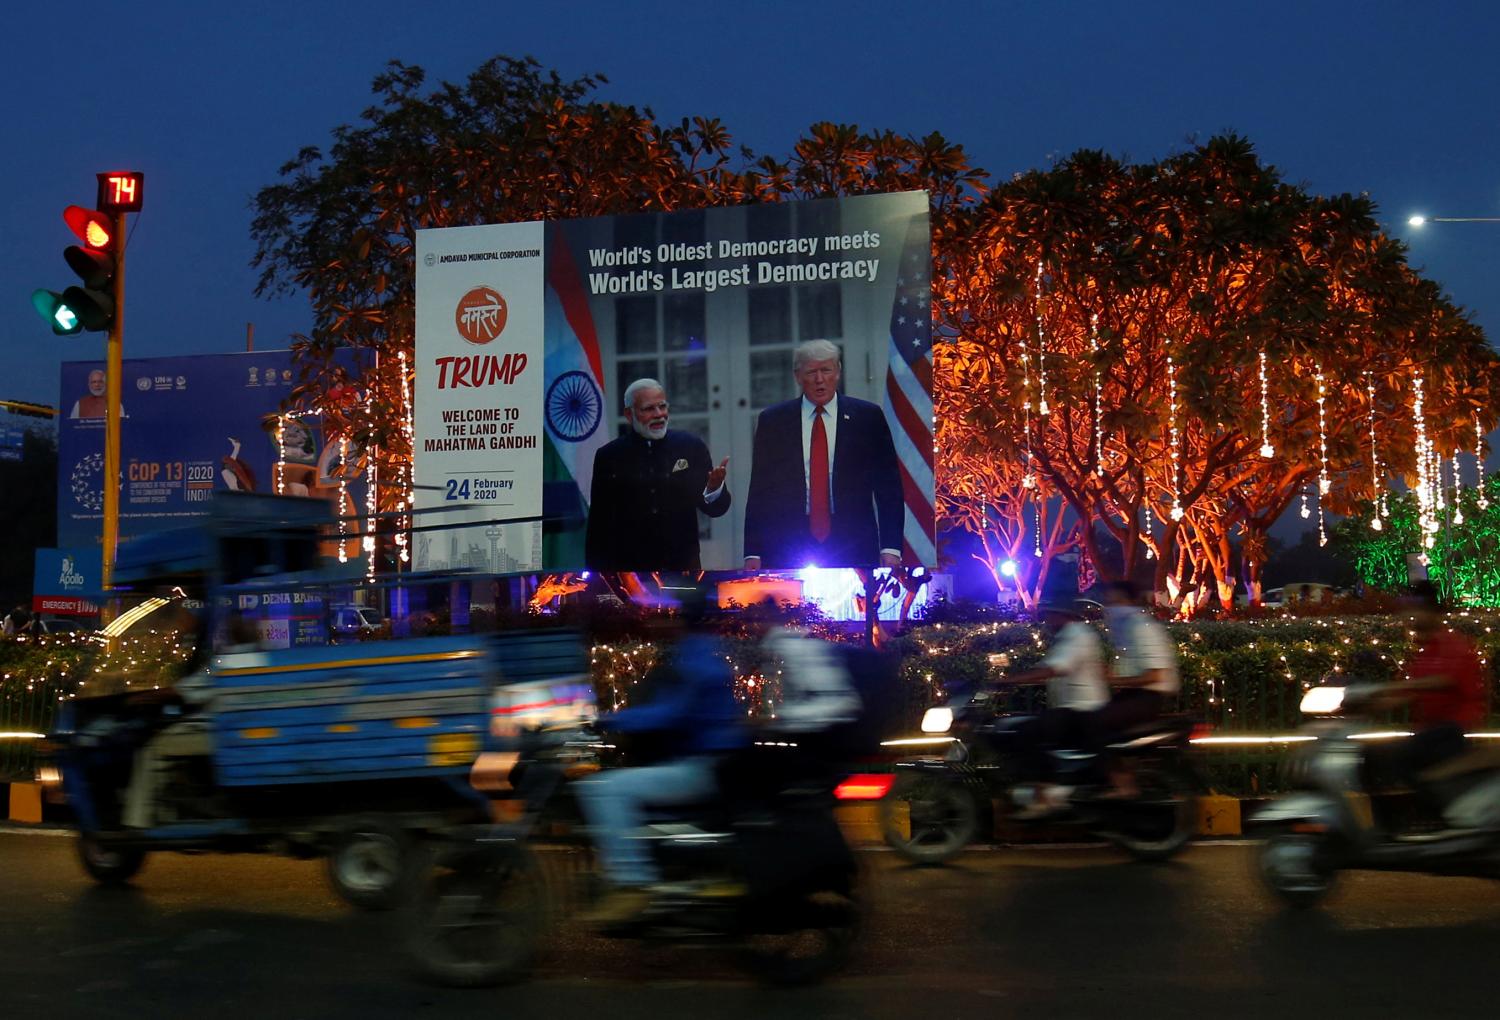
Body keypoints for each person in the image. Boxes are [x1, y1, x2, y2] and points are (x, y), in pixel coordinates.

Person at [575, 589, 750, 926]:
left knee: (602, 789)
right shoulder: (698, 655)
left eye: (664, 616)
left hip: (699, 768)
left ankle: (632, 884)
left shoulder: (697, 662)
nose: (657, 623)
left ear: (682, 620)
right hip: (706, 762)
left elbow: (669, 713)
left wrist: (608, 720)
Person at [743, 339, 904, 570]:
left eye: (826, 370)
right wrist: (753, 551)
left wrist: (890, 548)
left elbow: (889, 487)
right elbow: (760, 491)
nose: (820, 379)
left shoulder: (867, 417)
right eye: (811, 372)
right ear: (798, 376)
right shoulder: (773, 422)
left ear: (838, 372)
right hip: (788, 543)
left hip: (854, 542)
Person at [584, 378, 731, 571]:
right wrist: (595, 579)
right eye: (648, 409)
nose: (659, 415)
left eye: (662, 406)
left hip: (682, 568)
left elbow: (716, 510)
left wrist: (714, 489)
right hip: (629, 571)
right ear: (629, 414)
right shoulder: (609, 456)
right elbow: (599, 524)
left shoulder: (690, 446)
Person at [1373, 581, 1488, 808]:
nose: (1409, 616)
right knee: (1375, 757)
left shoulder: (1452, 645)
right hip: (1433, 732)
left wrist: (1386, 689)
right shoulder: (1426, 651)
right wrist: (1368, 705)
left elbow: (1442, 681)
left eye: (1415, 609)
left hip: (1452, 732)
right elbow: (1411, 692)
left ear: (1430, 611)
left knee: (1394, 757)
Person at [998, 604, 1110, 817]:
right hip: (1072, 708)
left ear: (1063, 614)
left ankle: (1044, 796)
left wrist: (1011, 680)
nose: (1047, 621)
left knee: (1026, 733)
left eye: (1050, 615)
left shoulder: (1077, 635)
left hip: (1081, 710)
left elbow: (1055, 668)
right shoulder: (1070, 635)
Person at [1095, 579, 1180, 796]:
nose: (1111, 608)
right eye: (1109, 602)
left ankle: (1124, 786)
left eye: (1117, 601)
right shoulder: (1129, 629)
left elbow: (1156, 674)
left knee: (1097, 725)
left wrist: (1116, 681)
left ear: (1131, 602)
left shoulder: (1143, 628)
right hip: (1136, 695)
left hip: (1148, 697)